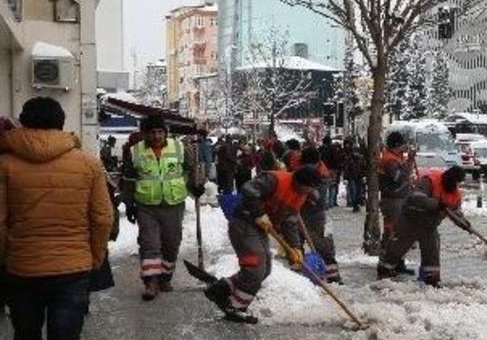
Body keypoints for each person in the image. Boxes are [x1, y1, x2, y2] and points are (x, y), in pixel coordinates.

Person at [0, 97, 113, 340]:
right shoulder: (87, 163)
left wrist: (8, 258)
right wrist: (93, 256)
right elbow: (102, 218)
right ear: (62, 123)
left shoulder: (5, 164)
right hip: (72, 271)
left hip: (22, 270)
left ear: (23, 123)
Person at [203, 165, 321, 322]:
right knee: (255, 266)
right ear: (301, 182)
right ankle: (236, 308)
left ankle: (219, 289)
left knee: (265, 269)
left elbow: (290, 222)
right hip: (244, 222)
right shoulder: (275, 179)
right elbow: (248, 189)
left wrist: (295, 248)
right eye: (309, 188)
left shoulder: (300, 195)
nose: (310, 192)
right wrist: (259, 213)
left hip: (261, 228)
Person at [121, 115, 201, 301]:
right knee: (149, 244)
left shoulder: (179, 148)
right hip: (146, 206)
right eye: (152, 132)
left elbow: (189, 171)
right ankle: (151, 282)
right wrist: (129, 204)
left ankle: (165, 278)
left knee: (171, 244)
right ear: (145, 134)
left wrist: (195, 186)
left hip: (174, 205)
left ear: (165, 132)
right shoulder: (135, 151)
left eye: (160, 132)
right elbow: (129, 180)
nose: (157, 136)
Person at [377, 166, 470, 286]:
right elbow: (416, 198)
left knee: (432, 254)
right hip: (410, 221)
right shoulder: (430, 181)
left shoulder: (455, 195)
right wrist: (436, 204)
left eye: (457, 183)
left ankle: (430, 280)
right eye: (454, 181)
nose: (455, 185)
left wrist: (464, 224)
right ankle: (384, 273)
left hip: (430, 226)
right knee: (397, 248)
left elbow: (455, 212)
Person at [296, 147, 341, 283]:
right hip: (299, 213)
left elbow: (317, 199)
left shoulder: (320, 175)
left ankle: (332, 277)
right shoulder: (312, 170)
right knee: (296, 245)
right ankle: (298, 277)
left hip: (315, 215)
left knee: (323, 246)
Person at [377, 131, 413, 260]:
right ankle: (389, 259)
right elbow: (398, 178)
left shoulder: (395, 157)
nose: (406, 146)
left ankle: (393, 259)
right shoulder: (390, 160)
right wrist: (409, 161)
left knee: (395, 229)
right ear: (397, 145)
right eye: (403, 144)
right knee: (394, 230)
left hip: (396, 198)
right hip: (393, 199)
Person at [343, 138, 366, 212]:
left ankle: (356, 203)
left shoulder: (359, 159)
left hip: (357, 176)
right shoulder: (350, 159)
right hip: (353, 177)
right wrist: (345, 177)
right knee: (354, 191)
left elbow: (363, 167)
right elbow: (347, 168)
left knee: (357, 191)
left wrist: (364, 175)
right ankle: (355, 204)